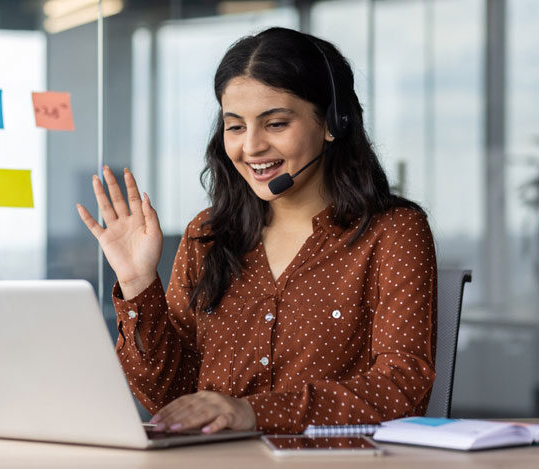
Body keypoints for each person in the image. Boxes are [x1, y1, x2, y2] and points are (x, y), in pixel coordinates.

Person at [76, 27, 437, 435]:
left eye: (276, 124)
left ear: (332, 123)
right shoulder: (208, 235)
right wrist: (139, 282)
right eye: (235, 127)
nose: (251, 147)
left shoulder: (392, 232)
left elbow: (402, 388)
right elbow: (170, 397)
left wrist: (254, 412)